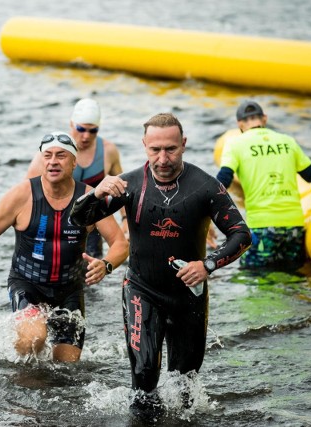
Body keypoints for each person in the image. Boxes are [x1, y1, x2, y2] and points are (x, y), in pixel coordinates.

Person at [69, 113, 252, 417]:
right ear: (144, 146)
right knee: (143, 378)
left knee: (185, 386)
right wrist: (95, 194)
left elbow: (242, 235)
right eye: (155, 150)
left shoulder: (205, 187)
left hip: (188, 295)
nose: (163, 158)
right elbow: (78, 220)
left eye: (171, 149)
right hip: (142, 289)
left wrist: (207, 265)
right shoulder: (128, 184)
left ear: (184, 144)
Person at [0, 132, 129, 362]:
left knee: (66, 369)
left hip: (70, 290)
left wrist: (106, 265)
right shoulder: (22, 195)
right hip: (28, 285)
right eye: (47, 156)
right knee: (33, 339)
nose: (53, 161)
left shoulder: (89, 197)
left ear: (73, 162)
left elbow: (120, 243)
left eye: (61, 156)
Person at [216, 100, 311, 270]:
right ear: (264, 119)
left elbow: (222, 182)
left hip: (262, 227)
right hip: (294, 228)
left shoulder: (235, 145)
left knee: (255, 278)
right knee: (291, 278)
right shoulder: (287, 141)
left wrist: (206, 221)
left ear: (240, 124)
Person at [26, 98, 128, 257]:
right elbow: (28, 193)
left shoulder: (108, 151)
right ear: (71, 124)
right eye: (81, 129)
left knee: (93, 269)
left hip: (91, 222)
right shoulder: (50, 154)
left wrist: (125, 219)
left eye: (93, 130)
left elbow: (121, 188)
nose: (86, 136)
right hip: (55, 221)